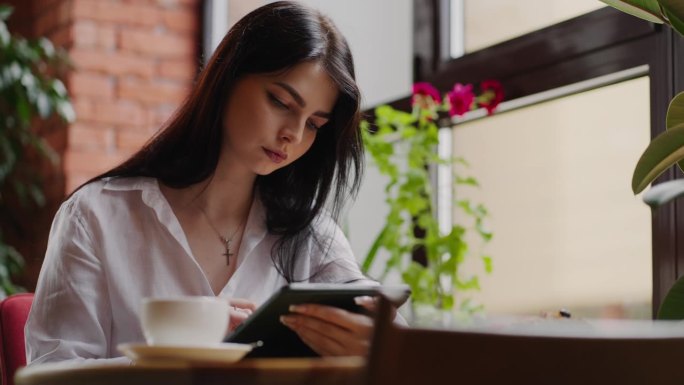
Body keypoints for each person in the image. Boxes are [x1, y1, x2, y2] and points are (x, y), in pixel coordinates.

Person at [25, 1, 383, 364]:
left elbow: (389, 335)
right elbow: (53, 371)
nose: (292, 134)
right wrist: (183, 350)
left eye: (313, 125)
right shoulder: (96, 216)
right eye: (280, 101)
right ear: (228, 78)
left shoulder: (310, 236)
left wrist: (369, 345)